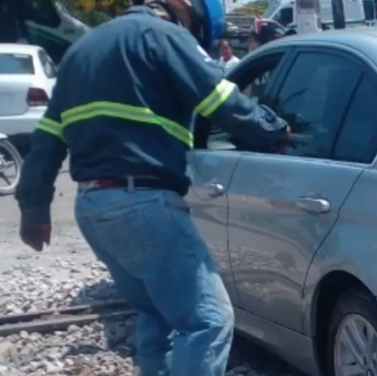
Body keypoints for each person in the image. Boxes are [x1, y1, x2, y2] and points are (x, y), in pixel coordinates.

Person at [13, 0, 290, 375]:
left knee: (156, 317)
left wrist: (34, 207)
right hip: (141, 202)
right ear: (185, 11)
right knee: (207, 320)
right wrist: (275, 131)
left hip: (94, 208)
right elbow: (224, 102)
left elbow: (48, 138)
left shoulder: (83, 50)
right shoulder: (164, 38)